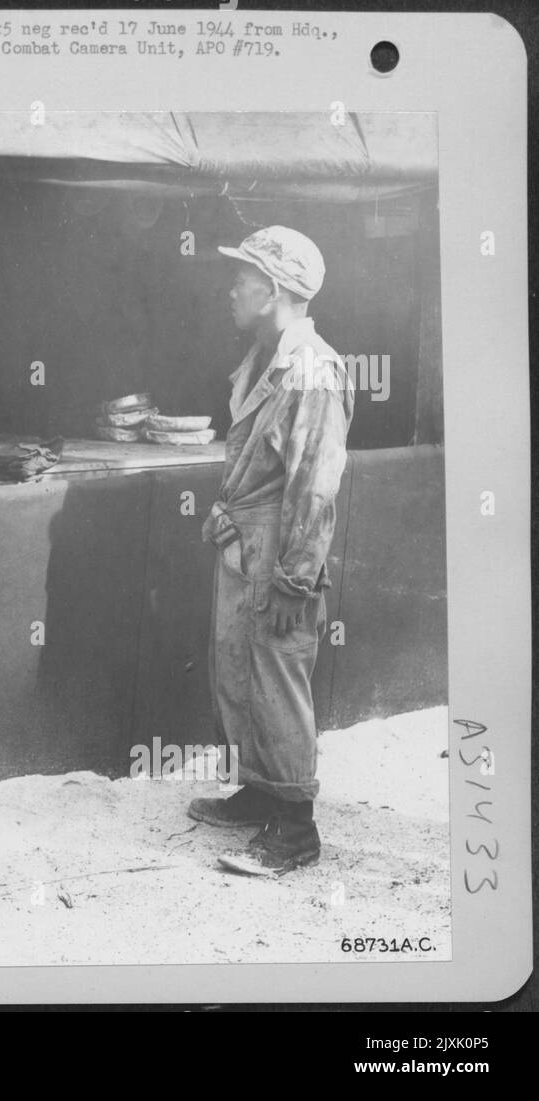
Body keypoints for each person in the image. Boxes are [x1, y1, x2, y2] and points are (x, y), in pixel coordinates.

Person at [187, 225, 354, 877]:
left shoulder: (311, 368)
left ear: (277, 289)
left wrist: (295, 575)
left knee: (278, 672)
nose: (232, 286)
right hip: (246, 536)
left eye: (244, 276)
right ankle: (260, 787)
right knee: (239, 665)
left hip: (283, 542)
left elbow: (315, 480)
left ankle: (294, 829)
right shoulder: (261, 356)